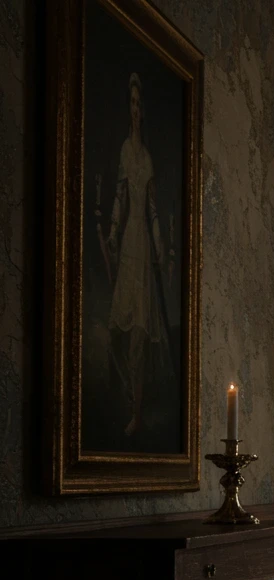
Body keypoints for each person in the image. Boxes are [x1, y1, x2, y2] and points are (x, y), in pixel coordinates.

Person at [100, 72, 175, 438]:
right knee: (115, 329)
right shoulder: (126, 153)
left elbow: (152, 209)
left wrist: (159, 243)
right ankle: (127, 397)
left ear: (143, 111)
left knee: (140, 336)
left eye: (137, 104)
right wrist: (113, 233)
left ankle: (137, 412)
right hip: (127, 238)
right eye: (129, 103)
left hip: (143, 244)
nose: (133, 109)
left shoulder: (146, 157)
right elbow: (119, 197)